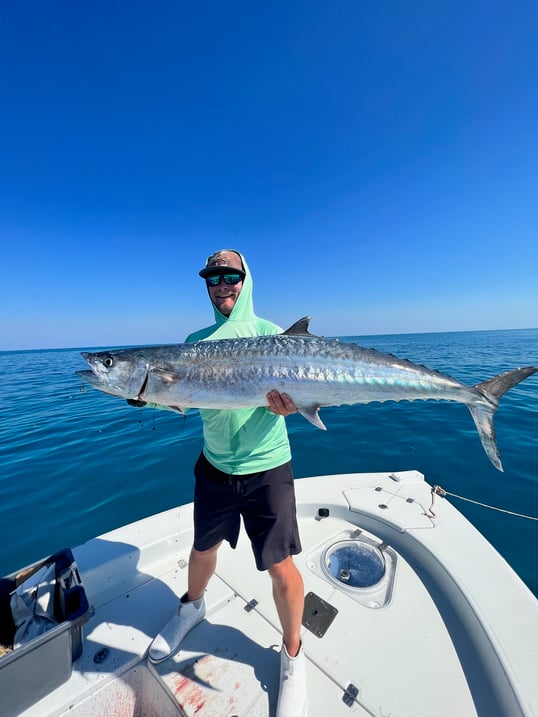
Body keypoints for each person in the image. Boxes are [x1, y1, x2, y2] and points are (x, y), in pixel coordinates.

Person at [148, 249, 307, 717]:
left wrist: (293, 403)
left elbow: (299, 390)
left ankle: (294, 655)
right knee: (202, 550)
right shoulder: (194, 342)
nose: (222, 285)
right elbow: (180, 396)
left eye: (230, 276)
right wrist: (147, 396)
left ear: (245, 279)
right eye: (213, 278)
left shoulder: (272, 335)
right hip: (215, 466)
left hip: (267, 467)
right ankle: (192, 608)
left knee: (280, 565)